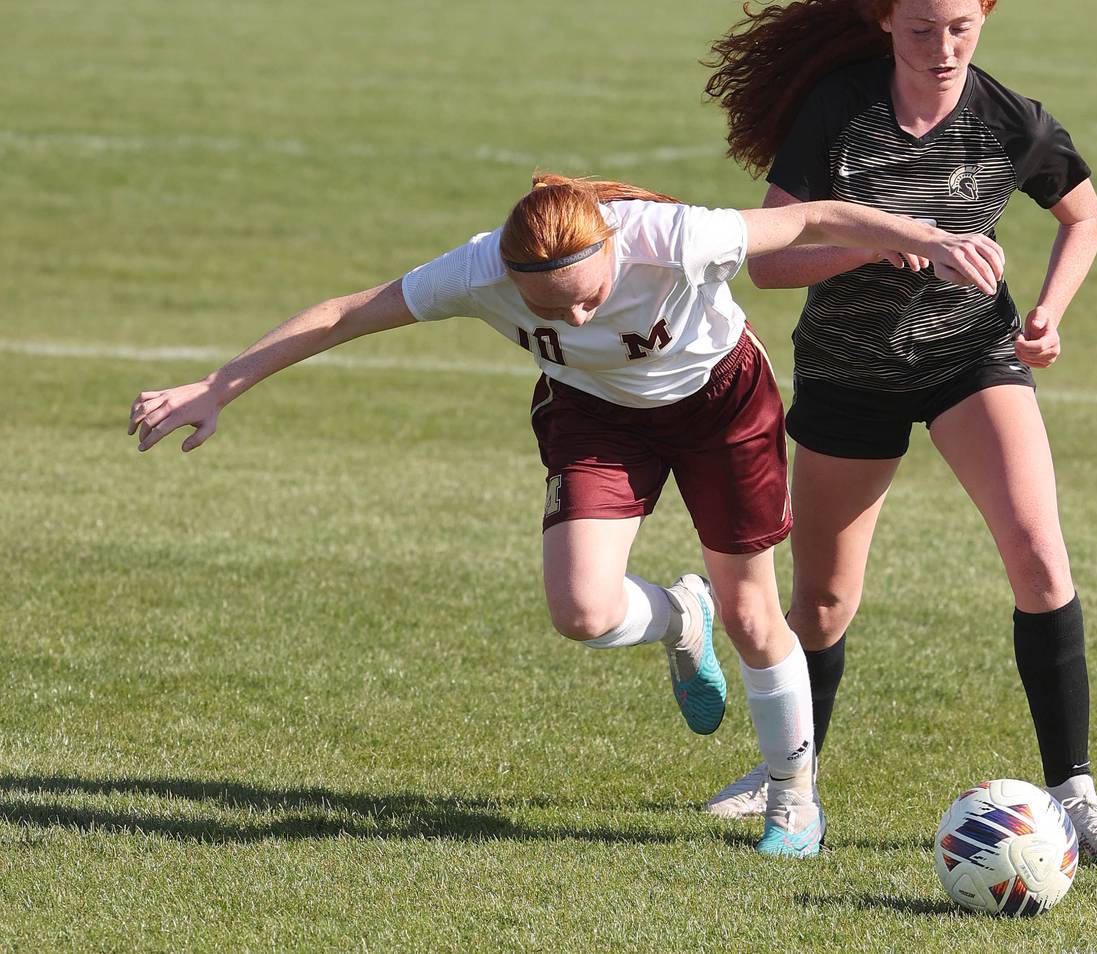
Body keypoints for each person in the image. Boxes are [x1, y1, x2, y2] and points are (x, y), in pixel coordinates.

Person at [127, 173, 1006, 858]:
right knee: (582, 612)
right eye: (555, 309)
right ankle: (678, 616)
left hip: (721, 404)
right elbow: (345, 314)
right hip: (595, 416)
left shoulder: (676, 238)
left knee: (753, 612)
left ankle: (793, 799)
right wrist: (222, 384)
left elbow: (812, 219)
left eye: (591, 295)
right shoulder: (477, 271)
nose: (580, 315)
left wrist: (928, 239)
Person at [701, 0, 1097, 861]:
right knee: (820, 604)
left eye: (960, 29)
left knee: (1038, 555)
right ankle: (789, 775)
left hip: (969, 358)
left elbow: (1085, 212)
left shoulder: (1008, 119)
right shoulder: (839, 111)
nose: (942, 52)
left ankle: (1075, 793)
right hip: (847, 370)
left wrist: (1051, 313)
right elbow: (770, 263)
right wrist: (880, 240)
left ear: (984, 17)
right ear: (883, 22)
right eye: (920, 33)